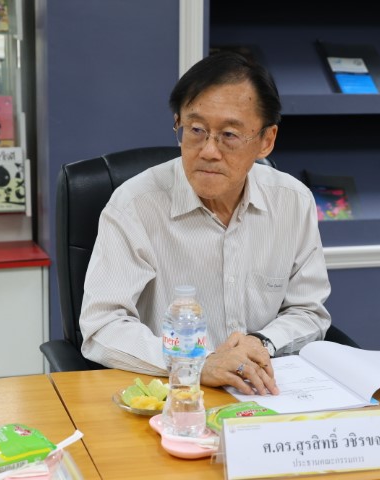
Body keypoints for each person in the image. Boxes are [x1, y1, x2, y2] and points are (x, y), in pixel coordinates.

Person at [80, 52, 332, 396]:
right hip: (173, 397)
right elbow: (102, 326)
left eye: (229, 134)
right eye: (196, 130)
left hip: (263, 391)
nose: (209, 151)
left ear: (266, 141)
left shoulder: (292, 201)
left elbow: (308, 311)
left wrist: (261, 342)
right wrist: (194, 362)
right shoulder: (135, 205)